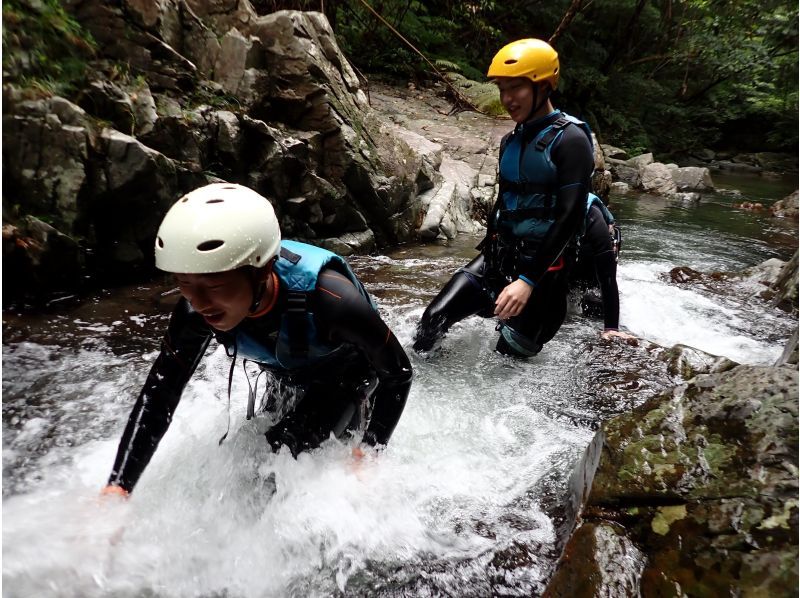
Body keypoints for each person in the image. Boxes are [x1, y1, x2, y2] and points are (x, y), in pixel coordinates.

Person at [102, 183, 412, 497]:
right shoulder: (196, 310)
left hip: (349, 373)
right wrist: (118, 487)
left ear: (263, 271)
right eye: (183, 282)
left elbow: (398, 372)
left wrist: (371, 450)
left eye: (215, 284)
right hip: (289, 367)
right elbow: (160, 394)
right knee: (252, 450)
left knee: (276, 455)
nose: (197, 301)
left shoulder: (330, 299)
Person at [413, 38, 595, 357]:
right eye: (502, 89)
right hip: (500, 259)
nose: (507, 99)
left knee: (506, 359)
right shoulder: (511, 141)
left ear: (543, 87)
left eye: (516, 88)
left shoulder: (572, 140)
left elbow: (570, 218)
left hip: (544, 275)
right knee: (430, 324)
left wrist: (527, 281)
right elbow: (504, 204)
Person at [571, 194, 634, 340]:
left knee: (594, 308)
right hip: (578, 261)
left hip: (592, 263)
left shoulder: (591, 213)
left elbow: (608, 277)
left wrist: (611, 328)